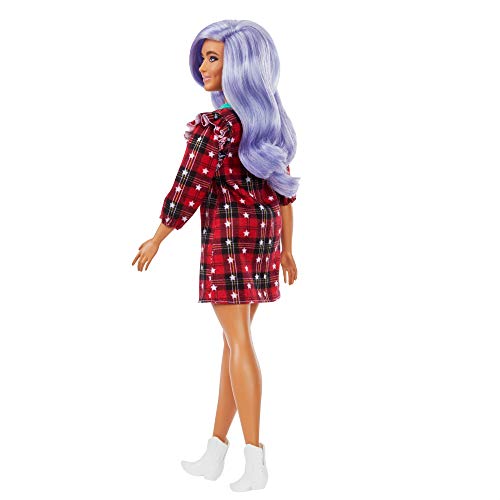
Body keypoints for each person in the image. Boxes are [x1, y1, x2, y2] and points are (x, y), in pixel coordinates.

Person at [131, 19, 300, 492]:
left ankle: (255, 460)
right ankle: (216, 450)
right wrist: (287, 250)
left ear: (241, 66)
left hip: (228, 245)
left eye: (213, 59)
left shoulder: (217, 129)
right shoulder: (267, 124)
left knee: (238, 343)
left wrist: (158, 236)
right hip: (262, 242)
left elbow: (188, 187)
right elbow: (285, 192)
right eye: (203, 58)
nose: (202, 68)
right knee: (233, 343)